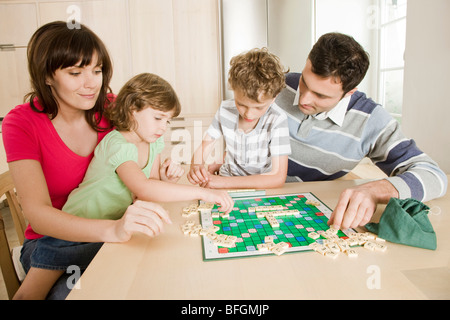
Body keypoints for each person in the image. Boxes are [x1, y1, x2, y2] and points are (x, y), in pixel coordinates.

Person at [9, 72, 234, 300]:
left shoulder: (153, 142)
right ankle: (27, 262)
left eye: (168, 120)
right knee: (30, 295)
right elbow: (144, 187)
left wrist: (166, 180)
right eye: (157, 118)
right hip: (72, 230)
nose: (163, 127)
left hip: (105, 229)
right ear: (131, 110)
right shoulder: (118, 144)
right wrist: (203, 192)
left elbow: (148, 187)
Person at [275, 32, 448, 230]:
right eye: (304, 82)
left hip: (305, 213)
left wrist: (378, 189)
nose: (303, 99)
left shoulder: (371, 120)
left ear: (350, 91)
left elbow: (434, 175)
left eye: (320, 95)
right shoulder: (275, 85)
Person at [187, 48, 291, 189]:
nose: (248, 114)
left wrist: (222, 183)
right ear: (233, 89)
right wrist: (196, 166)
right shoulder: (225, 109)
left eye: (258, 108)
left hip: (261, 186)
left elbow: (277, 177)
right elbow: (205, 145)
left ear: (274, 97)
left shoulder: (277, 119)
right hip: (227, 177)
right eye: (241, 104)